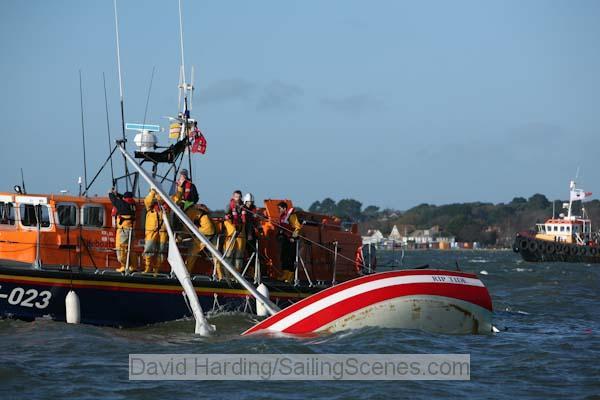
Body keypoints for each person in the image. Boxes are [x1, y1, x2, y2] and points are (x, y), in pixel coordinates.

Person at [186, 204, 219, 276]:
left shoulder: (190, 212)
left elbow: (186, 226)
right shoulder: (202, 212)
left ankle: (187, 272)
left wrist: (180, 237)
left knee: (192, 253)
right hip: (213, 233)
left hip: (204, 232)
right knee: (216, 256)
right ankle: (220, 275)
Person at [108, 188, 137, 273]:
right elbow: (123, 199)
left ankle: (124, 266)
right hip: (131, 230)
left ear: (125, 198)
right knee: (130, 249)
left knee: (121, 249)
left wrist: (110, 193)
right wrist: (117, 194)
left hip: (124, 231)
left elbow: (114, 201)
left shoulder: (122, 204)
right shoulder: (133, 204)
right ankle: (133, 266)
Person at [142, 189, 168, 275]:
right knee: (149, 249)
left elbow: (176, 199)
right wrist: (153, 191)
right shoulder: (150, 209)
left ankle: (156, 269)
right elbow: (147, 201)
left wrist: (180, 188)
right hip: (151, 232)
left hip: (162, 232)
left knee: (161, 251)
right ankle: (148, 267)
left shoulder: (165, 209)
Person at [277, 201, 302, 282]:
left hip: (291, 240)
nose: (279, 210)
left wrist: (293, 237)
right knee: (284, 257)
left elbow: (297, 227)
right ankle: (285, 275)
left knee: (290, 258)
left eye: (280, 209)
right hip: (285, 239)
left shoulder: (291, 216)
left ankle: (290, 276)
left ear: (284, 208)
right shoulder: (282, 217)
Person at [223, 190, 246, 272]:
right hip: (231, 233)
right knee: (229, 253)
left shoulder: (243, 207)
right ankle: (227, 273)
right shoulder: (229, 206)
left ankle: (237, 273)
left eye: (239, 197)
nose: (237, 199)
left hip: (240, 233)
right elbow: (226, 216)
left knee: (239, 255)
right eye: (236, 197)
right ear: (233, 197)